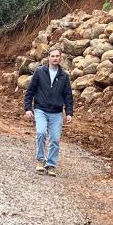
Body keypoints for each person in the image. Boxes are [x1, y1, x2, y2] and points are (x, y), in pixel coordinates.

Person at [23, 47, 74, 177]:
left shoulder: (64, 76)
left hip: (56, 112)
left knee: (55, 139)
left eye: (57, 56)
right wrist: (28, 108)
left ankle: (51, 164)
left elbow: (68, 95)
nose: (55, 58)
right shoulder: (40, 72)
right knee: (40, 133)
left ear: (60, 58)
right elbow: (30, 91)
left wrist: (69, 113)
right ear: (48, 58)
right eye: (53, 56)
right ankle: (40, 160)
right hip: (40, 109)